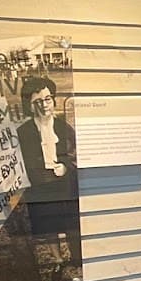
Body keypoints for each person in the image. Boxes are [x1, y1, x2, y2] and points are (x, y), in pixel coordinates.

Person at [15, 75, 81, 270]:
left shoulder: (63, 127)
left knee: (70, 223)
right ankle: (57, 259)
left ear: (53, 99)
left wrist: (65, 166)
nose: (44, 105)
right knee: (48, 224)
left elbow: (74, 154)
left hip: (64, 184)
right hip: (40, 186)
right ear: (29, 105)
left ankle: (76, 257)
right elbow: (22, 160)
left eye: (47, 99)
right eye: (37, 101)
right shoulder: (24, 132)